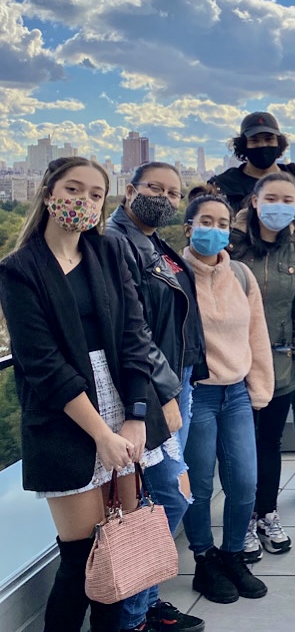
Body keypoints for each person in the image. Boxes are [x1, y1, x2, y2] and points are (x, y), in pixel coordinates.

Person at [0, 157, 174, 632]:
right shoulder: (19, 269)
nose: (84, 201)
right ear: (48, 191)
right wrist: (101, 433)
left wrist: (135, 418)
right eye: (73, 189)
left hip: (121, 400)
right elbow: (42, 364)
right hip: (67, 416)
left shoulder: (111, 252)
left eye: (95, 194)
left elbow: (136, 338)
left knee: (117, 558)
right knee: (81, 560)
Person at [208, 111, 295, 509]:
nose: (263, 146)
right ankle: (244, 505)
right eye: (255, 140)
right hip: (237, 323)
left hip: (290, 305)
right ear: (242, 143)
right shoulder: (224, 186)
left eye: (269, 140)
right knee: (243, 421)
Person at [106, 162, 208, 632]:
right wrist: (164, 392)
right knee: (167, 494)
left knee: (160, 498)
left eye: (174, 192)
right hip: (150, 388)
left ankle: (144, 605)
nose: (165, 198)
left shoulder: (152, 243)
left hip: (175, 381)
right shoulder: (118, 243)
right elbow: (133, 330)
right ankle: (132, 616)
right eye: (155, 188)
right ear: (130, 190)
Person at [181, 189, 274, 605]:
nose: (215, 231)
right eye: (206, 223)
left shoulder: (239, 275)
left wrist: (259, 387)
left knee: (244, 481)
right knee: (199, 485)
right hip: (196, 395)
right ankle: (204, 559)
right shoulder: (174, 275)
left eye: (222, 224)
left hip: (235, 393)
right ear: (188, 228)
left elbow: (257, 333)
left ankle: (234, 554)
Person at [228, 172, 295, 563]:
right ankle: (242, 520)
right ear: (254, 200)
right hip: (233, 365)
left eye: (288, 200)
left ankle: (266, 513)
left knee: (269, 444)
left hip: (281, 363)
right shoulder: (228, 244)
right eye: (272, 198)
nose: (279, 207)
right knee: (238, 449)